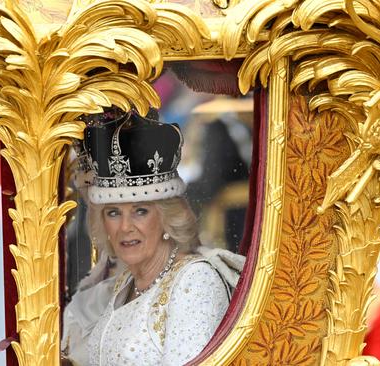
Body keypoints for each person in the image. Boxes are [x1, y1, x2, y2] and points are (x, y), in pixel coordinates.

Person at [62, 110, 244, 365]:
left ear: (168, 218)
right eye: (113, 212)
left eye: (140, 211)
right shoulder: (126, 283)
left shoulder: (195, 281)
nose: (125, 227)